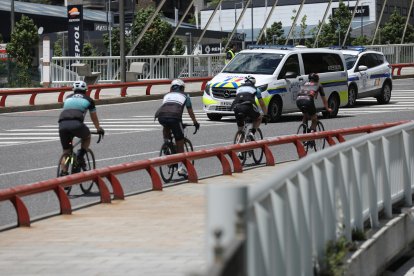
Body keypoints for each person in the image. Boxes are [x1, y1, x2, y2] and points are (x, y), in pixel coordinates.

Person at [155, 79, 200, 177]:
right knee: (180, 141)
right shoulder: (185, 96)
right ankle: (180, 168)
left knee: (166, 125)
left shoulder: (166, 95)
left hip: (161, 117)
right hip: (175, 118)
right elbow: (190, 111)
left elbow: (167, 109)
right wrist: (195, 122)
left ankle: (166, 144)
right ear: (182, 87)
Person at [58, 80, 104, 175]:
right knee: (87, 136)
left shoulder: (67, 98)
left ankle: (64, 173)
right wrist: (98, 128)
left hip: (62, 124)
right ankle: (80, 155)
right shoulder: (89, 100)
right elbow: (93, 117)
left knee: (66, 151)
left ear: (73, 90)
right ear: (86, 90)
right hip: (76, 124)